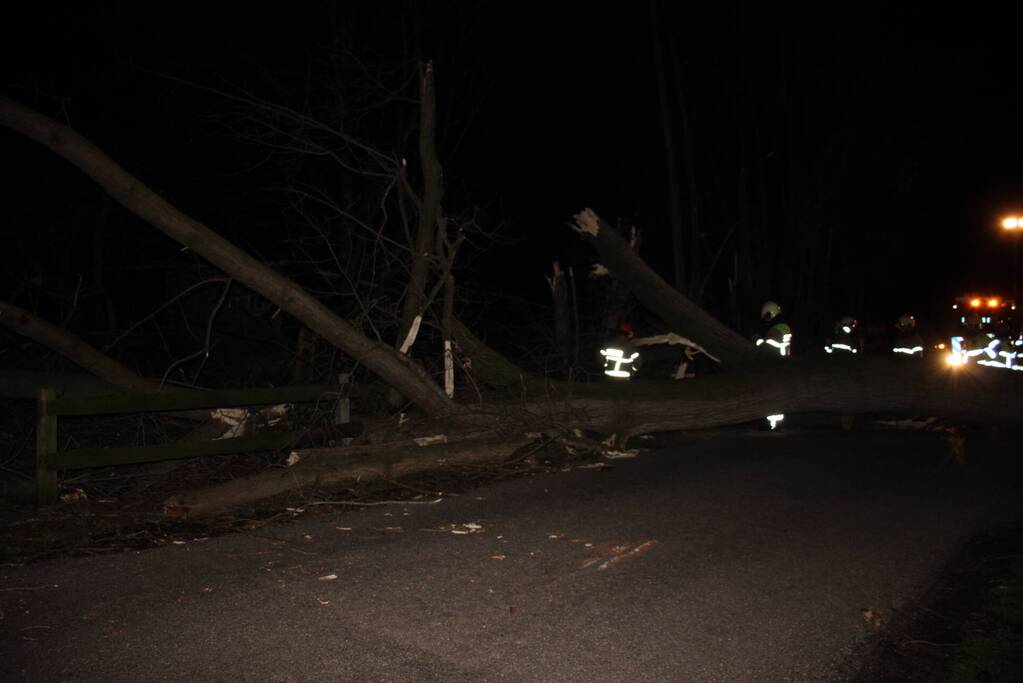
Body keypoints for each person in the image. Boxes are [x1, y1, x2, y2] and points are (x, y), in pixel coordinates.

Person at [753, 301, 790, 430]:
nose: (765, 320)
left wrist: (757, 340)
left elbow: (769, 346)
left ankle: (772, 425)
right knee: (777, 394)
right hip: (781, 364)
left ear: (770, 314)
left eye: (766, 316)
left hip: (776, 364)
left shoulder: (777, 329)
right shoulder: (783, 326)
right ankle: (775, 424)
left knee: (771, 394)